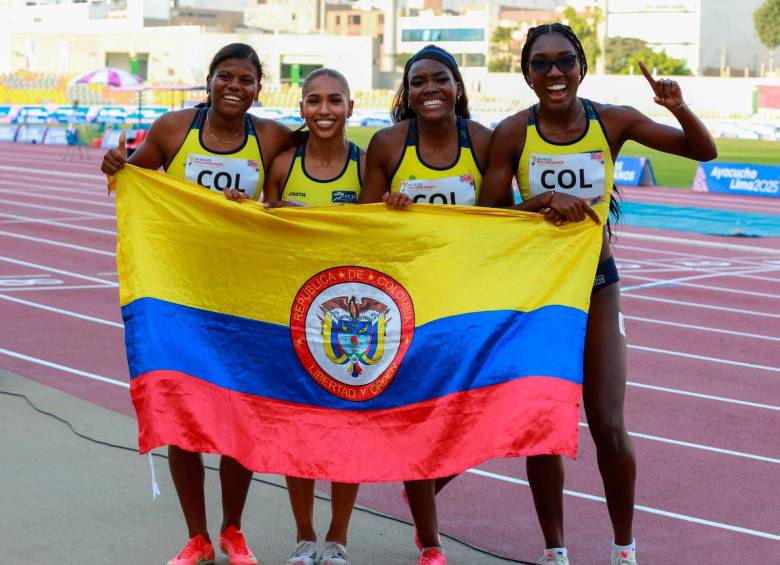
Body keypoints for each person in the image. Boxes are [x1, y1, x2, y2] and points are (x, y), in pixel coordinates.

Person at [476, 24, 717, 565]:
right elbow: (485, 219)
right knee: (542, 427)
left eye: (565, 61)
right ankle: (555, 550)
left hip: (597, 285)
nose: (554, 72)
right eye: (541, 64)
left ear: (582, 66)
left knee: (607, 422)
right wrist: (539, 202)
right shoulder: (514, 133)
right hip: (538, 293)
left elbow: (704, 151)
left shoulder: (612, 121)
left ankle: (624, 548)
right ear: (527, 74)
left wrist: (678, 107)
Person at [100, 42, 292, 565]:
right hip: (181, 295)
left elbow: (301, 186)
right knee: (185, 412)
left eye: (246, 80)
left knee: (240, 414)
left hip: (246, 297)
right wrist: (115, 164)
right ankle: (197, 537)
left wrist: (261, 208)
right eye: (225, 76)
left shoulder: (272, 136)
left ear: (259, 88)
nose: (235, 87)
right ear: (209, 80)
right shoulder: (173, 130)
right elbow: (130, 184)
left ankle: (232, 530)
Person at [225, 68, 365, 565]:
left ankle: (339, 539)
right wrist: (261, 210)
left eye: (333, 101)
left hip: (353, 318)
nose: (323, 110)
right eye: (313, 101)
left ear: (351, 106)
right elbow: (267, 231)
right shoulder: (285, 163)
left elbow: (379, 240)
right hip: (296, 313)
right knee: (298, 427)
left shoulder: (365, 166)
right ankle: (306, 538)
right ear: (301, 108)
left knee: (348, 428)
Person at [358, 44, 491, 565]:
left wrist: (547, 204)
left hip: (469, 299)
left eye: (440, 79)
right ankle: (430, 541)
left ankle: (424, 482)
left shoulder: (482, 141)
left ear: (458, 87)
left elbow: (503, 218)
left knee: (475, 412)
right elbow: (364, 225)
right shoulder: (389, 144)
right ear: (406, 93)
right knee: (419, 416)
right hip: (409, 300)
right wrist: (390, 212)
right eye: (418, 82)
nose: (429, 89)